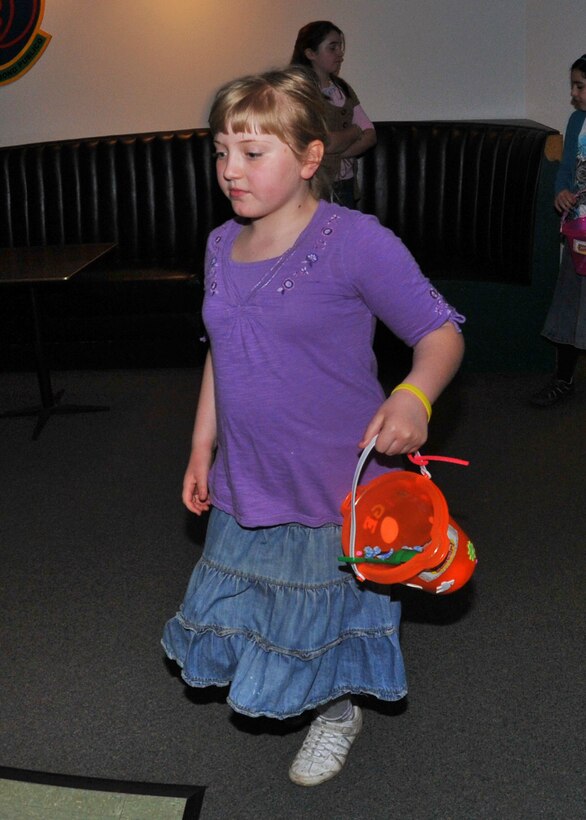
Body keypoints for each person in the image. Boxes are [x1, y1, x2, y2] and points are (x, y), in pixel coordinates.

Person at [162, 66, 465, 788]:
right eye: (220, 150)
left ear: (308, 158)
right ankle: (308, 688)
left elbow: (440, 334)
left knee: (326, 608)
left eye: (251, 152)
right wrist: (201, 445)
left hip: (336, 480)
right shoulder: (217, 245)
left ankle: (337, 711)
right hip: (252, 470)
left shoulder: (355, 240)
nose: (229, 170)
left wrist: (415, 398)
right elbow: (222, 354)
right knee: (266, 596)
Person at [530, 54, 586, 406]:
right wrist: (560, 192)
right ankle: (563, 379)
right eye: (573, 86)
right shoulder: (577, 121)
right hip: (579, 234)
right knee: (569, 305)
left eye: (580, 87)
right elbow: (566, 170)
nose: (574, 94)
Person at [291, 20, 376, 208]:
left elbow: (370, 134)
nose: (340, 54)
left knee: (343, 235)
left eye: (340, 47)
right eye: (333, 48)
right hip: (312, 184)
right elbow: (323, 141)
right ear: (310, 53)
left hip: (344, 184)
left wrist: (336, 153)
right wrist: (354, 132)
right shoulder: (299, 92)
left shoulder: (342, 89)